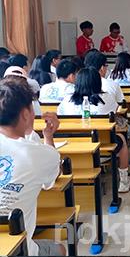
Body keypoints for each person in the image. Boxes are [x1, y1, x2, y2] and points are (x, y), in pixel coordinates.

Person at [0, 77, 65, 256]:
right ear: (25, 114)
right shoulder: (39, 154)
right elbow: (53, 175)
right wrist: (48, 136)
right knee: (59, 249)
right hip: (18, 249)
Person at [57, 68, 130, 192]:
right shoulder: (106, 98)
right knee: (121, 138)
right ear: (98, 82)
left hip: (72, 151)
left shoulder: (67, 100)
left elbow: (60, 118)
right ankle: (124, 181)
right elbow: (114, 115)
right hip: (101, 150)